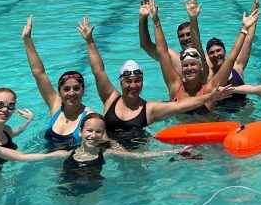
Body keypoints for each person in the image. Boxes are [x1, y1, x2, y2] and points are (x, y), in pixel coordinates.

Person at [78, 15, 232, 147]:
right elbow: (98, 72)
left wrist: (209, 97)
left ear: (142, 83)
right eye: (128, 80)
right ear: (121, 82)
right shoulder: (111, 98)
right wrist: (90, 42)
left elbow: (180, 105)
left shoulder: (149, 109)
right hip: (108, 152)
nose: (133, 85)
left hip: (139, 156)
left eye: (137, 80)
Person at [0, 113, 189, 194]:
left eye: (98, 132)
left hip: (93, 191)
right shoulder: (64, 154)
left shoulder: (107, 153)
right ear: (80, 132)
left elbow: (140, 156)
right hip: (65, 190)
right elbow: (23, 157)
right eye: (89, 131)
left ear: (103, 135)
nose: (93, 135)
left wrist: (177, 150)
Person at [146, 0, 259, 115]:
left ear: (201, 67)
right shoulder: (175, 87)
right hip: (181, 132)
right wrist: (156, 22)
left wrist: (244, 29)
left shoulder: (209, 89)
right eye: (185, 65)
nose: (189, 68)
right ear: (181, 68)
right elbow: (163, 53)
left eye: (193, 64)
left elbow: (231, 59)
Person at [22, 14, 94, 150]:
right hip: (51, 167)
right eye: (66, 89)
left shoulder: (90, 117)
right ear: (59, 92)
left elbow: (106, 144)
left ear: (83, 90)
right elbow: (39, 73)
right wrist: (27, 39)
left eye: (76, 88)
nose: (71, 93)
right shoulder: (55, 105)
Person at [204, 0, 260, 107]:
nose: (216, 54)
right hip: (221, 113)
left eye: (218, 50)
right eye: (212, 53)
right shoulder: (208, 74)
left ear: (224, 51)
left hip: (242, 109)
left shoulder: (237, 66)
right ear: (208, 55)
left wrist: (255, 6)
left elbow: (249, 37)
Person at [139, 0, 208, 75]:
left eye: (188, 34)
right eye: (181, 36)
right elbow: (145, 45)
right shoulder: (175, 58)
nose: (185, 38)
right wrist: (142, 18)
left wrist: (193, 19)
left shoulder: (207, 58)